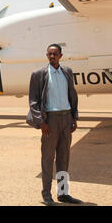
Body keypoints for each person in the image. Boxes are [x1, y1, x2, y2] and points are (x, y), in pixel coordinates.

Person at [28, 44, 82, 206]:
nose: (52, 57)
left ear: (60, 55)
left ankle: (63, 193)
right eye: (49, 54)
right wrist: (41, 122)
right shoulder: (38, 74)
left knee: (64, 158)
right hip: (50, 121)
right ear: (47, 55)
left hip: (66, 119)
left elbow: (72, 95)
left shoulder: (67, 72)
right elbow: (33, 101)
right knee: (48, 158)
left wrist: (74, 117)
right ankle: (46, 195)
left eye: (55, 54)